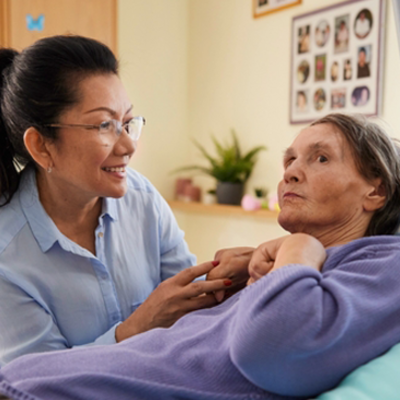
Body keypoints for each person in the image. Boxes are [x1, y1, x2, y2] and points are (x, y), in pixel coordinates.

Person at [1, 113, 400, 400]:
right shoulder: (300, 271)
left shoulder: (387, 262)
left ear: (376, 191)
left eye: (321, 158)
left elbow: (272, 350)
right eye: (289, 160)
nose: (291, 173)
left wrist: (300, 247)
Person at [0, 35, 237, 366]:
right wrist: (134, 330)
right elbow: (35, 382)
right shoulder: (7, 256)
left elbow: (188, 302)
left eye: (127, 123)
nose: (128, 146)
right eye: (104, 125)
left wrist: (232, 281)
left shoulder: (142, 199)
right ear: (41, 146)